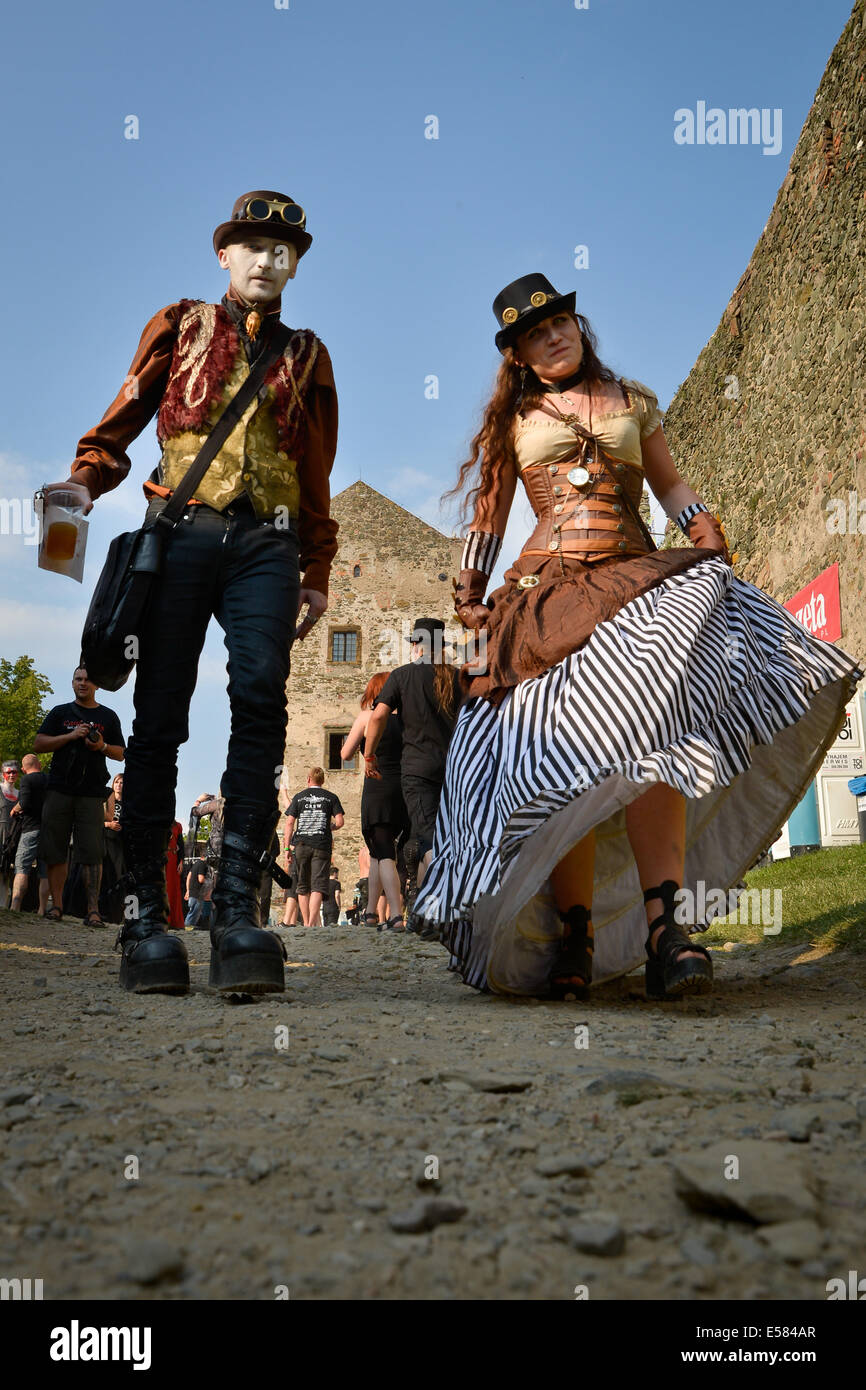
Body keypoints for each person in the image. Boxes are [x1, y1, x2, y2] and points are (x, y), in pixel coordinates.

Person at [411, 273, 864, 1001]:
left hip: (637, 578)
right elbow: (489, 516)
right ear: (519, 356)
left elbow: (670, 484)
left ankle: (668, 933)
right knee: (568, 760)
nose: (551, 336)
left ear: (577, 325)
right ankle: (576, 935)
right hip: (549, 598)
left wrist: (702, 525)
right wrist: (468, 587)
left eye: (559, 322)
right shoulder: (513, 421)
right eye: (533, 334)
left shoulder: (633, 401)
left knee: (664, 733)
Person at [43, 191, 338, 995]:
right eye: (252, 245)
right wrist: (81, 483)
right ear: (224, 255)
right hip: (178, 532)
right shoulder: (179, 325)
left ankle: (239, 911)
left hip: (267, 544)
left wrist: (315, 567)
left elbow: (314, 469)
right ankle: (144, 917)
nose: (268, 259)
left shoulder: (309, 354)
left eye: (284, 250)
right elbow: (126, 415)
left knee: (261, 700)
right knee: (161, 713)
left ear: (296, 264)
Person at [363, 619, 460, 898]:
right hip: (454, 768)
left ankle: (440, 905)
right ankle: (433, 902)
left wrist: (369, 755)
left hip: (417, 768)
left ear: (417, 645)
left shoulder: (402, 675)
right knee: (448, 833)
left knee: (428, 838)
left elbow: (379, 715)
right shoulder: (456, 677)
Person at [33, 667, 124, 926]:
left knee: (92, 852)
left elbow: (121, 753)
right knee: (55, 849)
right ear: (72, 683)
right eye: (78, 679)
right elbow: (38, 744)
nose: (83, 683)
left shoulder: (108, 716)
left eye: (88, 680)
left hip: (91, 792)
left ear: (97, 685)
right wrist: (70, 736)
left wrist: (101, 745)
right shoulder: (60, 713)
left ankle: (93, 910)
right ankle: (57, 906)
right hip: (60, 788)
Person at [341, 672, 408, 931]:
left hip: (377, 788)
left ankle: (395, 915)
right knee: (379, 854)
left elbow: (345, 753)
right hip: (402, 789)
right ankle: (370, 912)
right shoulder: (406, 720)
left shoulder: (368, 717)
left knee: (384, 854)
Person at [284, 768, 345, 927]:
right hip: (321, 845)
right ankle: (312, 923)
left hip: (301, 845)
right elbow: (340, 822)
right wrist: (329, 827)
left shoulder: (298, 797)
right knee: (318, 885)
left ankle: (305, 922)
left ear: (308, 779)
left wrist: (286, 849)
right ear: (323, 781)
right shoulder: (331, 797)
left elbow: (289, 823)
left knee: (302, 885)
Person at [10, 755, 49, 914]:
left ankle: (15, 907)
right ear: (39, 764)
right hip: (48, 830)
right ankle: (42, 909)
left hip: (30, 829)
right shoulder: (49, 779)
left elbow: (24, 802)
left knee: (22, 868)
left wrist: (15, 809)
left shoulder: (27, 780)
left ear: (23, 769)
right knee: (44, 871)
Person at [100, 772, 126, 923]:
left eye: (122, 783)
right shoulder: (106, 801)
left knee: (119, 878)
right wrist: (108, 824)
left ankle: (117, 915)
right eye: (117, 782)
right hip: (106, 841)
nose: (119, 785)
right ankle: (102, 911)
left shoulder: (127, 804)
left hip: (120, 844)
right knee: (105, 878)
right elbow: (95, 821)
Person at [0, 759, 20, 908]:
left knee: (6, 871)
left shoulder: (20, 794)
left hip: (12, 835)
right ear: (3, 774)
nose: (12, 774)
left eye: (14, 772)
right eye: (9, 772)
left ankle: (2, 905)